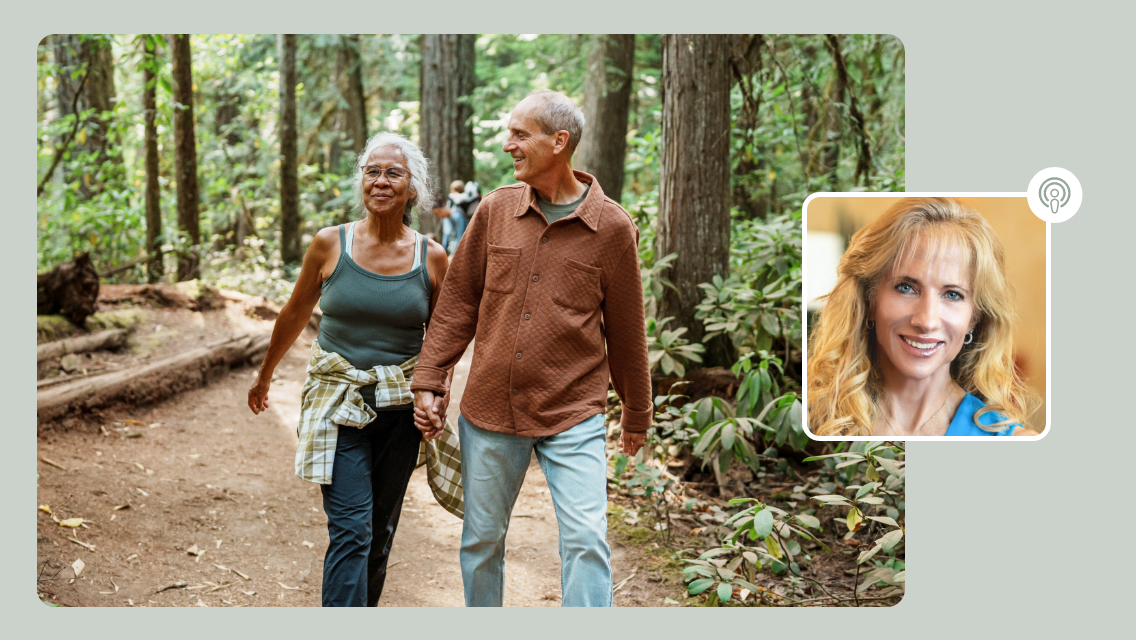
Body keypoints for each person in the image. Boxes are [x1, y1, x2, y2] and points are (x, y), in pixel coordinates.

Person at [410, 90, 653, 607]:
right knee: (481, 540)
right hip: (491, 408)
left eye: (520, 135)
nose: (508, 146)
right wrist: (431, 379)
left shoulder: (611, 227)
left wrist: (637, 412)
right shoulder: (496, 209)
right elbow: (457, 304)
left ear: (558, 142)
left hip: (574, 410)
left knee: (587, 540)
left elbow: (627, 330)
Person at [247, 132, 455, 606]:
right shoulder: (329, 244)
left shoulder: (432, 256)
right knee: (352, 528)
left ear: (412, 190)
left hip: (399, 407)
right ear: (362, 180)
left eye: (393, 173)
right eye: (372, 171)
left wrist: (435, 394)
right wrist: (265, 375)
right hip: (337, 403)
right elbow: (295, 312)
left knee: (379, 531)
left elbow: (443, 340)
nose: (380, 181)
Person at [807, 197, 1040, 437]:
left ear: (974, 317)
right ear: (869, 299)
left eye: (952, 294)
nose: (927, 321)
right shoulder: (809, 423)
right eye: (906, 288)